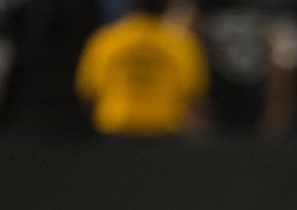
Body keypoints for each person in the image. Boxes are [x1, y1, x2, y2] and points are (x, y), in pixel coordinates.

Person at [74, 0, 209, 136]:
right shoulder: (181, 43)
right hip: (164, 130)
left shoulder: (105, 40)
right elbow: (194, 94)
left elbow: (88, 92)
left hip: (116, 128)